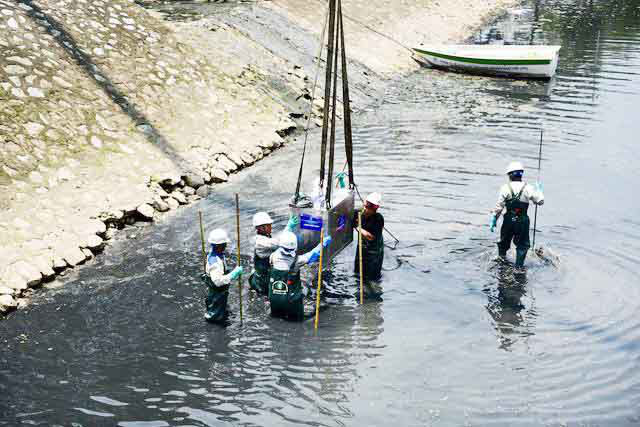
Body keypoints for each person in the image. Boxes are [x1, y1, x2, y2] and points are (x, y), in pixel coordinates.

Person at [489, 161, 544, 268]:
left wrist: (494, 219)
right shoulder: (528, 188)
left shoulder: (505, 188)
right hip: (522, 221)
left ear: (509, 175)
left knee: (503, 243)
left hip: (508, 221)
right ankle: (519, 267)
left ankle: (501, 260)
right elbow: (540, 201)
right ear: (521, 174)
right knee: (522, 246)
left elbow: (499, 207)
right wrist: (539, 191)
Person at [269, 231, 331, 321]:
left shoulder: (273, 256)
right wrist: (322, 244)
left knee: (276, 318)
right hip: (291, 301)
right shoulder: (297, 261)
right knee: (296, 321)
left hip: (274, 299)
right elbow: (313, 254)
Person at [250, 212, 299, 295]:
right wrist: (289, 227)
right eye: (269, 225)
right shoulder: (261, 242)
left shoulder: (266, 236)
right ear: (262, 228)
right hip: (263, 281)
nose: (271, 227)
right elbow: (279, 242)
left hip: (263, 273)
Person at [203, 228, 243, 325]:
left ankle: (220, 312)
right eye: (224, 244)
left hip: (219, 292)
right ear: (219, 246)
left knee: (220, 306)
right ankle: (214, 323)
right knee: (216, 315)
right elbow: (218, 281)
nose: (226, 245)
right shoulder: (215, 262)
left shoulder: (218, 255)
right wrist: (234, 274)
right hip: (217, 292)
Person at [354, 192, 384, 282]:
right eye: (365, 206)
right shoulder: (360, 213)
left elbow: (370, 237)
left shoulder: (378, 219)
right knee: (358, 272)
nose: (366, 209)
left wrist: (357, 227)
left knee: (372, 277)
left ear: (375, 208)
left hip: (374, 253)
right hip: (362, 248)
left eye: (369, 207)